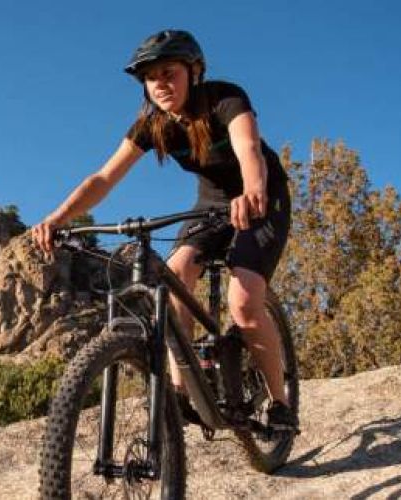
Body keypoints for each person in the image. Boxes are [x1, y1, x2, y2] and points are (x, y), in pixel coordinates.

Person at [31, 29, 297, 431]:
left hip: (262, 197)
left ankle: (280, 404)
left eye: (169, 73)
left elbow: (249, 149)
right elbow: (104, 178)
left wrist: (254, 191)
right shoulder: (153, 125)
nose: (160, 84)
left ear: (194, 71)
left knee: (242, 300)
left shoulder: (225, 99)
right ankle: (181, 391)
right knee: (175, 280)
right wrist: (58, 217)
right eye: (151, 77)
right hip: (210, 206)